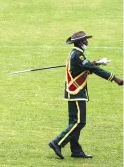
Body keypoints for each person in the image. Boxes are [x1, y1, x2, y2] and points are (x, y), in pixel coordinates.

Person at [48, 31, 123, 159]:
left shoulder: (76, 54)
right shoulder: (78, 55)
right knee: (79, 122)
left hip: (73, 91)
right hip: (77, 92)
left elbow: (86, 68)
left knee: (74, 121)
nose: (87, 42)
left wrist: (95, 63)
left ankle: (76, 151)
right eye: (85, 40)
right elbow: (93, 70)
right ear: (79, 42)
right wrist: (114, 78)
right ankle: (57, 143)